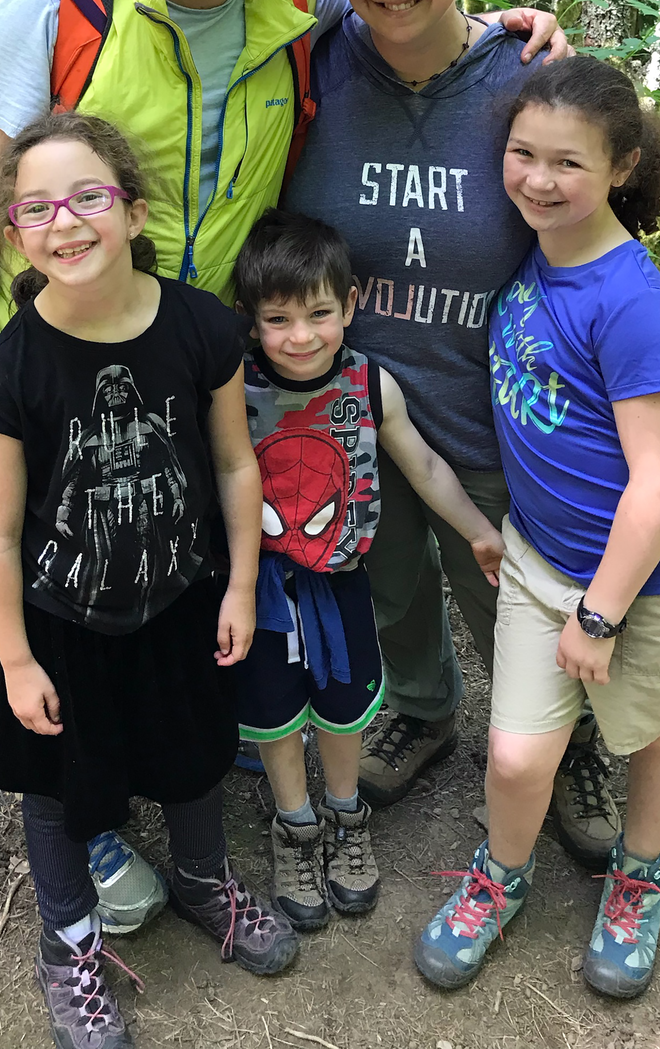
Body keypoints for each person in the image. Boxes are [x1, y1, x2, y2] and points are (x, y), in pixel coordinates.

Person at [0, 0, 566, 928]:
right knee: (75, 570)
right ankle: (91, 817)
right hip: (70, 364)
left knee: (178, 572)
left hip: (217, 368)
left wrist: (520, 34)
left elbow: (410, 1)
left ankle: (192, 772)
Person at [284, 0, 623, 866]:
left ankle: (568, 755)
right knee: (388, 589)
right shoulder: (308, 65)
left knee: (519, 596)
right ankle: (424, 715)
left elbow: (598, 228)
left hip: (500, 418)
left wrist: (646, 383)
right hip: (359, 415)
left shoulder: (529, 76)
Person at [0, 112, 297, 1049]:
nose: (65, 221)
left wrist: (238, 586)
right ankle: (68, 942)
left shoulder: (198, 325)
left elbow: (235, 465)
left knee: (193, 752)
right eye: (37, 207)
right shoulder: (12, 369)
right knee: (62, 782)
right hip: (59, 620)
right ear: (16, 235)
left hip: (180, 597)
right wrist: (17, 659)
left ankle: (201, 881)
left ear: (135, 212)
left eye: (87, 197)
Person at [413, 57, 660, 998]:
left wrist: (598, 617)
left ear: (623, 167)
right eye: (522, 154)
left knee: (655, 730)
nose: (538, 180)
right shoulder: (531, 250)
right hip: (541, 557)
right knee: (517, 755)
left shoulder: (631, 302)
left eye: (568, 164)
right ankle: (499, 878)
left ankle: (639, 875)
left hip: (651, 580)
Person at [231, 209, 506, 933]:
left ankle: (347, 817)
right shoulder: (234, 390)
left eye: (320, 313)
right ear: (251, 321)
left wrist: (478, 531)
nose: (300, 336)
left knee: (344, 704)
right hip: (259, 589)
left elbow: (423, 466)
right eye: (277, 319)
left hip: (343, 576)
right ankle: (295, 825)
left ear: (350, 305)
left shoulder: (369, 384)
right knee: (273, 711)